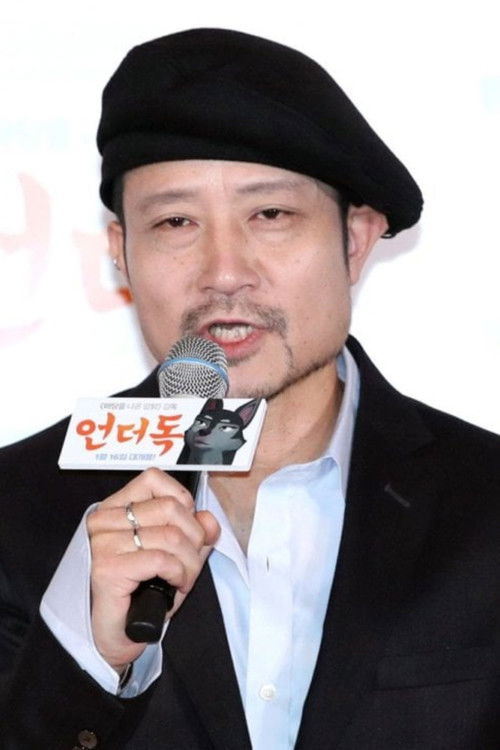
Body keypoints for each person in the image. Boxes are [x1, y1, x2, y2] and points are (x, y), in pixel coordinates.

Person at [1, 27, 499, 750]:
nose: (225, 272)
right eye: (176, 221)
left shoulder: (484, 501)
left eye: (270, 216)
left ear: (356, 241)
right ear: (121, 254)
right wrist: (86, 655)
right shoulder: (17, 511)